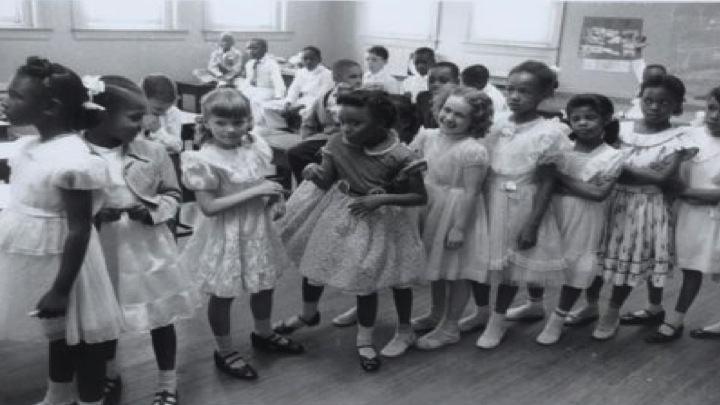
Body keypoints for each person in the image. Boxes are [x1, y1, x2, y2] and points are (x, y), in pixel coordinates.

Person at [0, 56, 123, 405]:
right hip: (37, 255)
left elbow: (80, 228)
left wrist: (60, 289)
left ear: (50, 107)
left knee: (82, 339)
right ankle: (57, 395)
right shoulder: (30, 146)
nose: (6, 101)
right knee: (57, 332)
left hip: (68, 264)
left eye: (16, 96)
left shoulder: (73, 159)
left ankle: (90, 400)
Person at [277, 89, 427, 370]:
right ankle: (309, 313)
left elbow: (419, 197)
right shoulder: (336, 142)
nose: (346, 128)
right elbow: (326, 181)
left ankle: (364, 339)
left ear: (380, 124)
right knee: (315, 263)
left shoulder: (401, 155)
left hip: (379, 222)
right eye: (343, 121)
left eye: (356, 123)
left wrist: (382, 198)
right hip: (338, 213)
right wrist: (313, 172)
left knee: (364, 279)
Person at [85, 75, 200, 405]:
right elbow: (68, 208)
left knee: (160, 316)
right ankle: (110, 371)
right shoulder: (79, 153)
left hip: (147, 248)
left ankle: (167, 381)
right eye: (134, 117)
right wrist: (95, 215)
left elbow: (174, 194)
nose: (144, 124)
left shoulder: (153, 151)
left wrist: (151, 210)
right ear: (102, 116)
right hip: (100, 248)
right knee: (106, 315)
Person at [180, 88, 304, 380]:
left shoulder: (253, 147)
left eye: (238, 122)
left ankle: (263, 332)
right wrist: (257, 191)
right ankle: (224, 350)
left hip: (257, 227)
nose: (230, 130)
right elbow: (209, 207)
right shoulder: (203, 158)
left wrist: (274, 198)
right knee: (223, 293)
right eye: (221, 122)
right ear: (206, 122)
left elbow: (259, 182)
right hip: (226, 231)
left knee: (264, 285)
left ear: (248, 121)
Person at [456, 60, 572, 349]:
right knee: (479, 259)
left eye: (525, 91)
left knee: (510, 267)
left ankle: (498, 320)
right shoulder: (495, 124)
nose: (515, 96)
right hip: (487, 198)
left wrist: (533, 223)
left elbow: (547, 182)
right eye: (511, 89)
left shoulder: (548, 132)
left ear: (544, 94)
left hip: (521, 202)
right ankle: (482, 311)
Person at [593, 74, 696, 340]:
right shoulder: (620, 129)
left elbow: (663, 177)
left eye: (664, 102)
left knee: (632, 259)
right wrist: (643, 172)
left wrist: (621, 166)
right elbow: (600, 162)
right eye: (648, 100)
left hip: (646, 207)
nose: (654, 107)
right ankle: (594, 306)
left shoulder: (679, 137)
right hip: (611, 201)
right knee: (599, 258)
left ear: (677, 106)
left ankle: (611, 312)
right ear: (640, 99)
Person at [534, 94, 625, 345]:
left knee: (578, 265)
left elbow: (597, 193)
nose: (583, 123)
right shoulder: (560, 150)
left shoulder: (613, 156)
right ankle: (535, 303)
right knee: (543, 258)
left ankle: (558, 318)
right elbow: (543, 183)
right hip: (554, 212)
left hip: (586, 218)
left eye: (590, 117)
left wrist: (559, 177)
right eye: (576, 118)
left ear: (605, 120)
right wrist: (574, 185)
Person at [410, 86, 493, 350]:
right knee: (437, 265)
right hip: (431, 204)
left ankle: (450, 326)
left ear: (474, 121)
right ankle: (436, 313)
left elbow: (472, 191)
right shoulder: (428, 136)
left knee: (457, 271)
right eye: (447, 110)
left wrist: (459, 227)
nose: (449, 118)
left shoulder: (472, 150)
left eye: (459, 115)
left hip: (457, 211)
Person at [644, 87, 720, 343]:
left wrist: (688, 192)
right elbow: (668, 170)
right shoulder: (690, 135)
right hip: (683, 212)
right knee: (672, 261)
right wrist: (680, 190)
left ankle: (675, 319)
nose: (715, 116)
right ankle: (655, 308)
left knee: (697, 267)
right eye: (712, 108)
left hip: (712, 217)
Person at [285, 59, 363, 184]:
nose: (359, 81)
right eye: (353, 77)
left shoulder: (364, 98)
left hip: (355, 140)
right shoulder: (324, 98)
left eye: (360, 76)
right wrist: (307, 139)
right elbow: (308, 123)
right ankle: (307, 186)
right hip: (326, 139)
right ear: (337, 78)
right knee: (295, 153)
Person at [262, 46, 334, 131]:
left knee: (306, 112)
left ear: (319, 59)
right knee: (267, 105)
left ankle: (307, 130)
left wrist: (301, 106)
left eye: (312, 59)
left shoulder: (327, 74)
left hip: (316, 103)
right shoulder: (301, 72)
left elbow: (322, 96)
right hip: (301, 100)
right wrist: (289, 102)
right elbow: (294, 89)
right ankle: (282, 127)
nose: (308, 61)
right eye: (305, 58)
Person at [141, 73, 196, 154]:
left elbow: (182, 146)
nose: (163, 114)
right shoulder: (128, 113)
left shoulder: (172, 112)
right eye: (158, 109)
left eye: (167, 108)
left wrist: (158, 131)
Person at [239, 38, 286, 124]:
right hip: (254, 89)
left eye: (254, 48)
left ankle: (258, 124)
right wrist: (241, 90)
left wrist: (279, 96)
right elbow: (249, 79)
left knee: (256, 101)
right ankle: (245, 121)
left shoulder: (271, 64)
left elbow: (278, 81)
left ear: (264, 49)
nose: (251, 51)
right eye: (248, 48)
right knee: (241, 98)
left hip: (268, 89)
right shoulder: (249, 64)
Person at [416, 62, 460, 130]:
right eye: (431, 81)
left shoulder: (460, 102)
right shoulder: (423, 97)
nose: (435, 84)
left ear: (457, 82)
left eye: (443, 81)